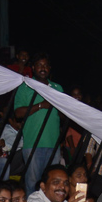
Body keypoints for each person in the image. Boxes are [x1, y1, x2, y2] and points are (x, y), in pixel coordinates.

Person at [12, 54, 64, 193]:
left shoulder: (57, 88)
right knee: (33, 184)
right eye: (40, 65)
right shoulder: (26, 86)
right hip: (33, 143)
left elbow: (63, 113)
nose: (43, 68)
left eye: (46, 65)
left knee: (53, 183)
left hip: (53, 144)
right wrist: (40, 105)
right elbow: (18, 113)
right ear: (33, 68)